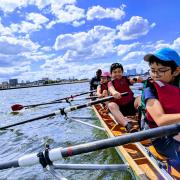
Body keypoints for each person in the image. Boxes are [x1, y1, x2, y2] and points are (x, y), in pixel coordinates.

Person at [141, 47, 180, 163]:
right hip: (160, 135)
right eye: (152, 70)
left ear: (176, 71)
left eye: (161, 70)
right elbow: (160, 120)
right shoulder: (151, 89)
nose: (155, 74)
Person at [108, 63, 138, 133]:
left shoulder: (126, 79)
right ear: (111, 74)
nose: (117, 74)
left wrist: (136, 79)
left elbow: (132, 80)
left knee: (140, 98)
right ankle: (127, 125)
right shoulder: (110, 83)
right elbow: (111, 89)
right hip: (120, 109)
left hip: (131, 105)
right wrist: (114, 92)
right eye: (115, 72)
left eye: (119, 71)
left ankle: (142, 118)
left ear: (122, 72)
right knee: (111, 105)